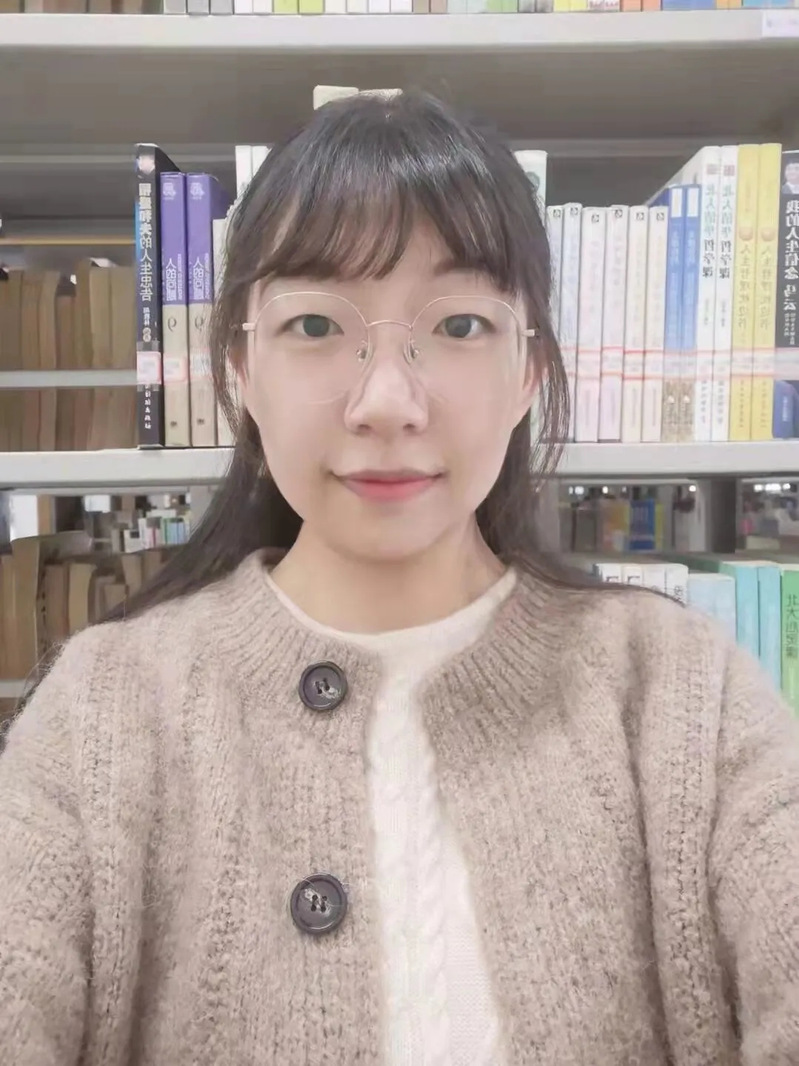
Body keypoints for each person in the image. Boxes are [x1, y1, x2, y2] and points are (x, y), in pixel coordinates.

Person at [0, 91, 797, 1066]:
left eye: (458, 323)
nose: (386, 402)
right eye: (314, 324)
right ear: (239, 372)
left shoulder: (682, 695)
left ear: (528, 373)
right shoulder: (103, 713)